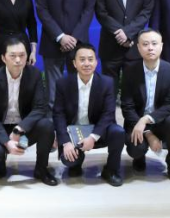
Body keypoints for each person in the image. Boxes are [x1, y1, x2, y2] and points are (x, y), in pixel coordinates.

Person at [0, 36, 58, 185]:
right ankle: (0, 161)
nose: (18, 60)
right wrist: (7, 142)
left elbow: (40, 108)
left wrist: (20, 129)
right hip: (1, 127)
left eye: (22, 55)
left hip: (23, 129)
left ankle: (41, 169)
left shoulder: (34, 75)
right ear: (3, 58)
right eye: (13, 56)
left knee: (46, 125)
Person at [53, 42, 126, 186]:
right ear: (74, 63)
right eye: (82, 60)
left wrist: (93, 137)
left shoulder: (106, 82)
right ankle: (76, 163)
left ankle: (111, 170)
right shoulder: (63, 83)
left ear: (96, 62)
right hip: (74, 132)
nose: (86, 63)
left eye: (90, 59)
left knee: (118, 132)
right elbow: (58, 113)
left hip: (97, 130)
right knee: (69, 161)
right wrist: (65, 141)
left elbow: (108, 113)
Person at [35, 0, 96, 105]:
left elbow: (89, 8)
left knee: (78, 87)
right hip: (52, 41)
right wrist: (60, 36)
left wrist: (74, 37)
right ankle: (54, 120)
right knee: (53, 93)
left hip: (78, 42)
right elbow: (42, 9)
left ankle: (77, 118)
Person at [120, 29, 170, 185]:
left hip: (162, 120)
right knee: (135, 149)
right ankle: (139, 157)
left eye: (154, 44)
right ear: (138, 47)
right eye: (145, 44)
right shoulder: (130, 71)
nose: (150, 48)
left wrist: (147, 119)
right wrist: (148, 133)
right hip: (137, 122)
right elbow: (127, 106)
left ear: (161, 46)